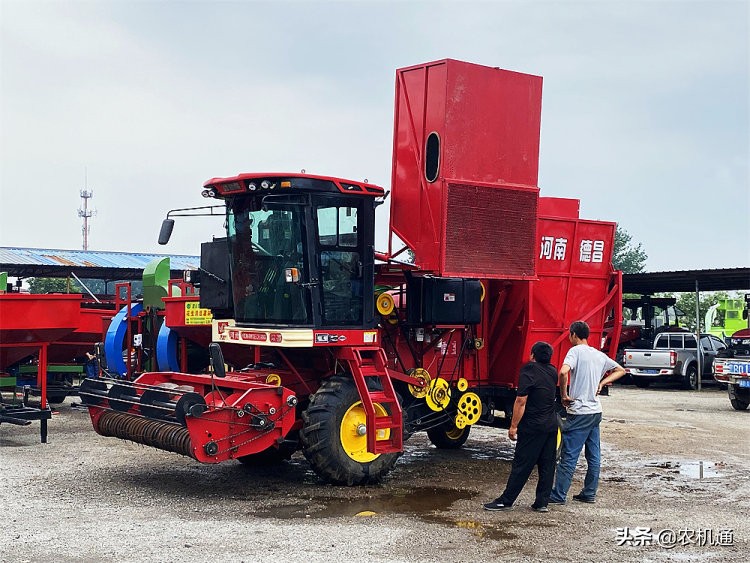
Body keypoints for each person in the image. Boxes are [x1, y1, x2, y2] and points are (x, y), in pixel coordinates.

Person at [549, 320, 626, 505]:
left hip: (580, 411)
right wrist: (602, 383)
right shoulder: (598, 355)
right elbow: (620, 370)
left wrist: (564, 395)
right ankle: (589, 492)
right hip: (595, 411)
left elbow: (563, 372)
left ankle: (558, 495)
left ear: (574, 335)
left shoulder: (575, 352)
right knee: (594, 455)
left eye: (570, 335)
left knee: (569, 455)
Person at [483, 341, 558, 512]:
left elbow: (521, 400)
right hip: (551, 425)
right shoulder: (552, 371)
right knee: (547, 464)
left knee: (522, 464)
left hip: (533, 425)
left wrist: (513, 426)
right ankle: (542, 502)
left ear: (532, 355)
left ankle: (506, 500)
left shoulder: (529, 370)